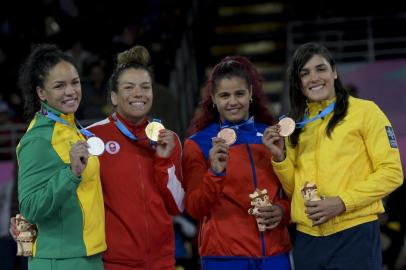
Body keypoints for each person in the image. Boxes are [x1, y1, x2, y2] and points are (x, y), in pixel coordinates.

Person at [262, 42, 404, 270]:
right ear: (298, 83)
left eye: (321, 69)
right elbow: (294, 191)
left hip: (354, 233)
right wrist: (280, 158)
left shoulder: (366, 112)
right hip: (307, 239)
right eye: (305, 73)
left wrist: (342, 203)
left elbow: (392, 173)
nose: (314, 78)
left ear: (334, 72)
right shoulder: (295, 125)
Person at [183, 56, 292, 269]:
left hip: (275, 254)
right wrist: (215, 172)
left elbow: (292, 192)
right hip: (224, 257)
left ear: (250, 93)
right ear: (213, 98)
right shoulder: (198, 144)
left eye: (239, 93)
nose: (233, 102)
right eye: (224, 95)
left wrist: (282, 211)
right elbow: (195, 208)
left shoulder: (271, 137)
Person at [87, 45, 184, 270]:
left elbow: (177, 205)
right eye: (128, 87)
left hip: (163, 262)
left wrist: (163, 159)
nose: (138, 93)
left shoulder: (169, 139)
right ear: (114, 96)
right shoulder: (92, 138)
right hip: (114, 262)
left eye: (145, 87)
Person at [16, 44, 106, 269]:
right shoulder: (38, 139)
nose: (70, 91)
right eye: (59, 86)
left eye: (75, 82)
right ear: (41, 93)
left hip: (89, 256)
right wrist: (71, 173)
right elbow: (29, 207)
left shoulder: (72, 129)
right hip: (60, 260)